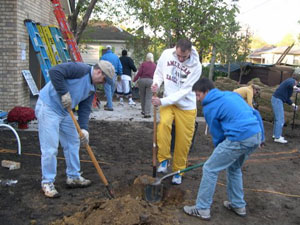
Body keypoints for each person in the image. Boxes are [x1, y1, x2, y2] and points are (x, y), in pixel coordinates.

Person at [183, 77, 264, 220]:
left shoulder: (210, 106)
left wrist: (219, 151)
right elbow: (255, 113)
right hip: (255, 135)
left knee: (209, 168)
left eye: (198, 95)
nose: (197, 99)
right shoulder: (231, 94)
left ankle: (202, 208)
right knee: (234, 168)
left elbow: (218, 134)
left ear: (206, 91)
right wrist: (261, 137)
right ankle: (238, 205)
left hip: (239, 137)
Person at [35, 61, 115, 198]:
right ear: (98, 72)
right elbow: (54, 72)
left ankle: (73, 176)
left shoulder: (92, 88)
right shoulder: (80, 69)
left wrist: (84, 129)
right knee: (50, 148)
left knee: (73, 141)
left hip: (65, 112)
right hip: (49, 106)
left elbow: (84, 109)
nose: (103, 83)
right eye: (104, 79)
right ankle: (47, 182)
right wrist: (64, 93)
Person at [151, 39, 202, 185]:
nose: (180, 59)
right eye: (178, 56)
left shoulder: (196, 66)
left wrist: (162, 101)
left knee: (183, 141)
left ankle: (178, 171)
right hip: (168, 100)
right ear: (175, 49)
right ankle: (164, 160)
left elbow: (185, 91)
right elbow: (159, 72)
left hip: (186, 106)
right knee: (163, 126)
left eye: (184, 57)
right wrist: (156, 83)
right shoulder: (167, 54)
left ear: (190, 52)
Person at [271, 70, 300, 143]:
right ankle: (277, 137)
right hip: (277, 100)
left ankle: (275, 135)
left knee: (278, 119)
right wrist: (296, 88)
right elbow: (292, 84)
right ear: (297, 80)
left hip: (277, 99)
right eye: (297, 83)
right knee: (280, 119)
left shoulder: (289, 87)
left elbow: (286, 98)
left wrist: (293, 105)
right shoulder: (291, 80)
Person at [133, 52, 156, 118]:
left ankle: (143, 110)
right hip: (151, 81)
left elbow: (139, 73)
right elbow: (156, 75)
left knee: (142, 96)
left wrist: (134, 80)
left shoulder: (143, 64)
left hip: (142, 81)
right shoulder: (154, 65)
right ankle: (147, 113)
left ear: (146, 58)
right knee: (148, 97)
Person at [100, 45, 123, 111]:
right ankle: (108, 103)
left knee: (107, 89)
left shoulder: (103, 57)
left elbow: (100, 65)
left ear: (106, 49)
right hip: (114, 74)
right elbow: (119, 66)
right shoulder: (116, 57)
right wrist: (120, 74)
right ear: (111, 49)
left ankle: (110, 106)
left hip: (106, 74)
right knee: (112, 89)